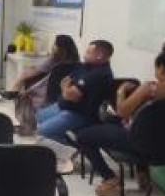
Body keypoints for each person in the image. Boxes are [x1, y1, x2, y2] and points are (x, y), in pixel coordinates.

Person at [73, 39, 165, 196]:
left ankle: (110, 178)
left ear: (161, 68)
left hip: (140, 142)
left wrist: (121, 91)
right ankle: (143, 174)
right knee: (131, 124)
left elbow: (122, 112)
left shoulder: (151, 88)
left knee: (83, 137)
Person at [36, 39, 115, 173]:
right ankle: (63, 144)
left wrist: (66, 89)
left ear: (100, 56)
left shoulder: (100, 74)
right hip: (65, 106)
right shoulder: (86, 67)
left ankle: (72, 150)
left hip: (80, 114)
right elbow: (66, 82)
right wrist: (67, 89)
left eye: (88, 52)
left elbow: (71, 94)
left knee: (43, 131)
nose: (84, 55)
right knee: (36, 118)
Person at [11, 34, 81, 97]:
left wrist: (21, 79)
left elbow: (39, 71)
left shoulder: (54, 59)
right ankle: (14, 92)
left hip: (48, 89)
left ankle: (13, 93)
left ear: (59, 47)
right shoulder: (76, 62)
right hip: (63, 90)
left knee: (24, 74)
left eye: (55, 44)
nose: (53, 46)